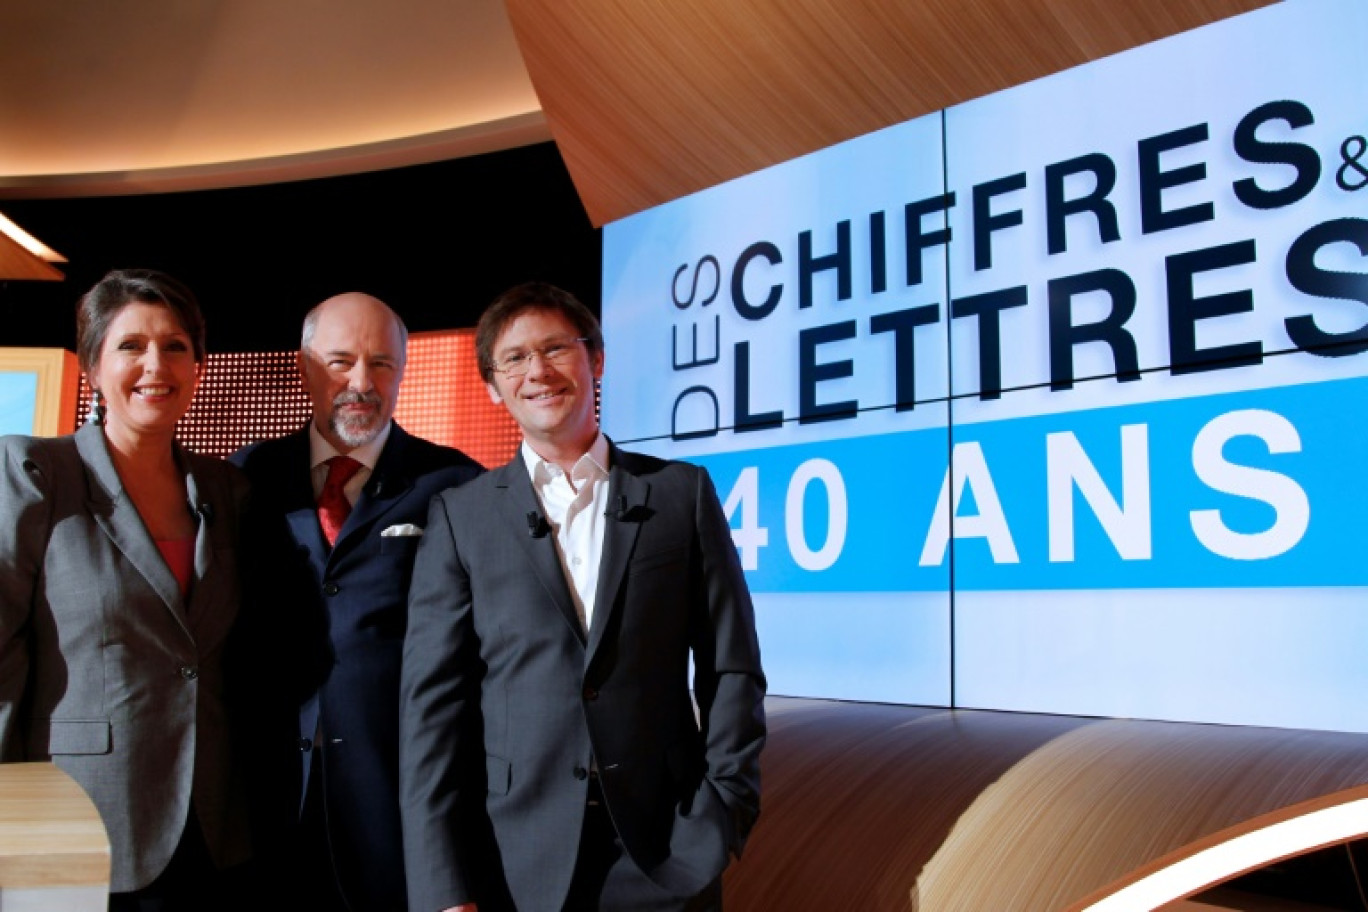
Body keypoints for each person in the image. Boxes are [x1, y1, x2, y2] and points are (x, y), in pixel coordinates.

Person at [399, 282, 767, 912]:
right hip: (515, 858)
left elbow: (731, 668)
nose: (537, 370)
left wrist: (722, 811)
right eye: (513, 358)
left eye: (554, 348)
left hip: (666, 852)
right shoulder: (461, 517)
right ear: (492, 385)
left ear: (596, 360)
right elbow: (432, 712)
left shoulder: (682, 494)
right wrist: (443, 883)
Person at [0, 268, 252, 911]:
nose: (155, 364)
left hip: (212, 826)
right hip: (76, 825)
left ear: (198, 367)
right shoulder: (36, 473)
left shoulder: (227, 491)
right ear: (91, 366)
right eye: (131, 345)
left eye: (175, 346)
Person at [228, 291, 482, 912]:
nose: (361, 383)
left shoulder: (458, 486)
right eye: (340, 361)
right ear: (302, 366)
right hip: (261, 809)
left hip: (397, 811)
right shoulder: (243, 481)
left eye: (382, 364)